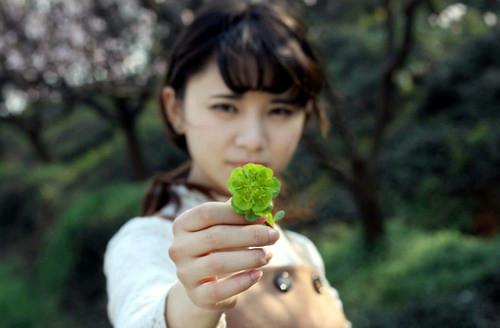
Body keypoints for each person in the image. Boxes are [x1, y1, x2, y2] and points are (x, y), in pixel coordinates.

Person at [104, 1, 351, 327]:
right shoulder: (145, 241)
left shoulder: (302, 251)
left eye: (280, 111)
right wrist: (194, 304)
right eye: (225, 107)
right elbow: (141, 312)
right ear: (176, 110)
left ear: (304, 118)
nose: (252, 139)